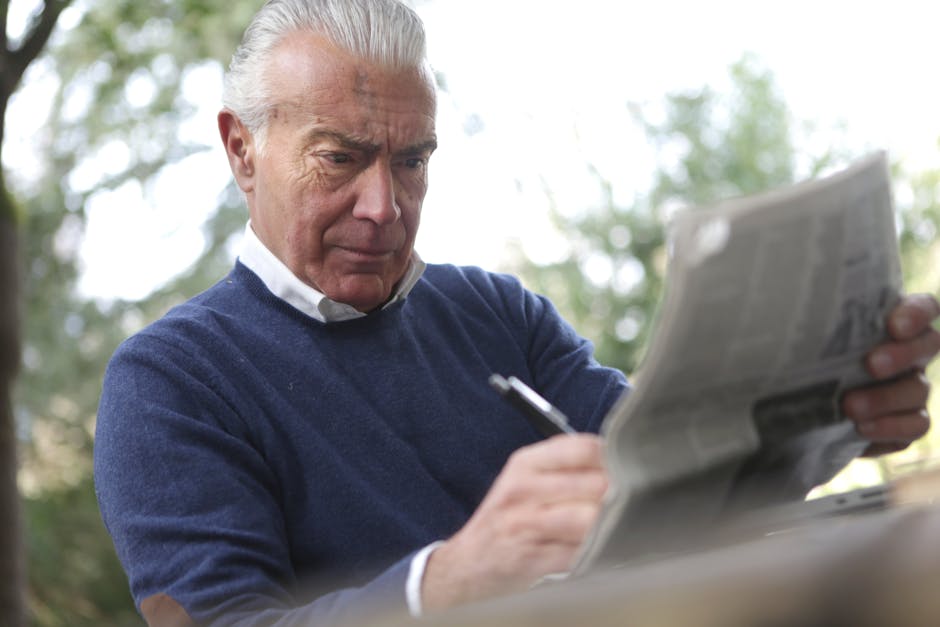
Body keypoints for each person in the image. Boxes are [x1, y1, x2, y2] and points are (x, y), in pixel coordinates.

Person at [93, 1, 940, 625]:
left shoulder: (494, 309)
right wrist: (445, 584)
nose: (384, 205)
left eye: (413, 161)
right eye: (341, 159)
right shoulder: (169, 383)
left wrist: (836, 418)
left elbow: (672, 472)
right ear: (243, 148)